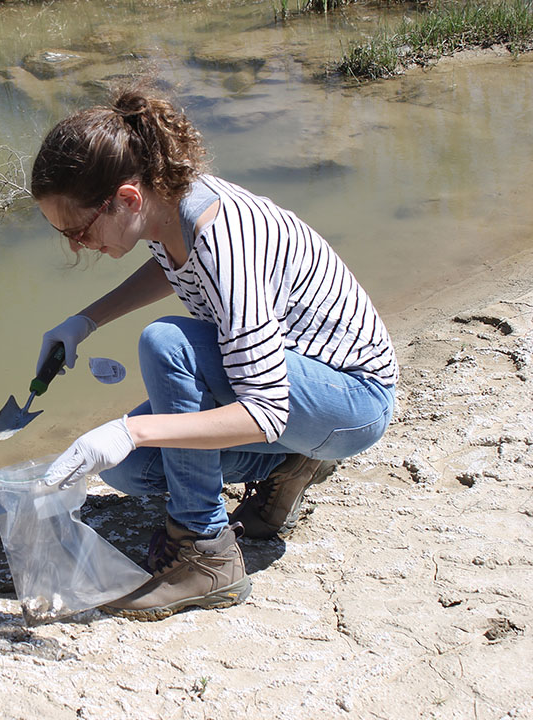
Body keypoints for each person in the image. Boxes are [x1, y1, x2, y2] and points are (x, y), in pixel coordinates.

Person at [32, 88, 398, 621]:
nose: (74, 246)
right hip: (297, 395)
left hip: (351, 398)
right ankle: (290, 464)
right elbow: (171, 265)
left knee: (167, 344)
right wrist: (85, 321)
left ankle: (206, 555)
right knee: (131, 471)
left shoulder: (223, 238)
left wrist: (130, 429)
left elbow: (267, 408)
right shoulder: (170, 206)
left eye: (78, 230)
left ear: (128, 200)